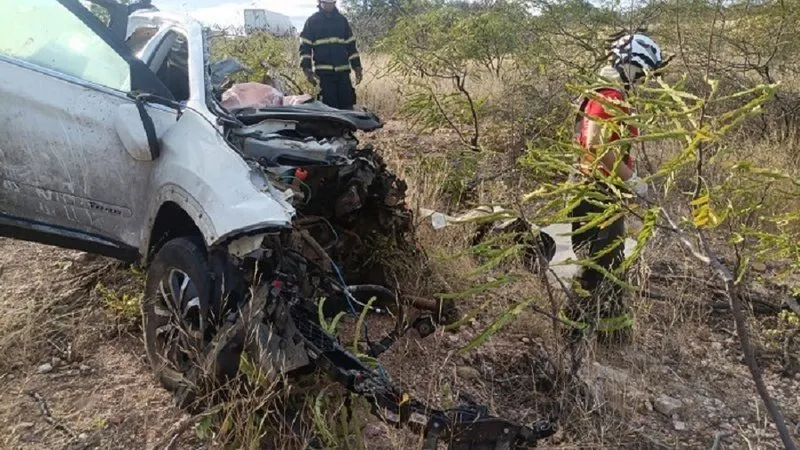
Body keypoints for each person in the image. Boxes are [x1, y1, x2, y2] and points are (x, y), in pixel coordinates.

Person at [560, 33, 666, 346]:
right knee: (597, 266)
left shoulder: (609, 93)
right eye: (644, 74)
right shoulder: (609, 96)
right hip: (596, 191)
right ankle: (572, 339)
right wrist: (631, 179)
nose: (645, 82)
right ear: (633, 67)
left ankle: (613, 338)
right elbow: (594, 145)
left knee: (612, 264)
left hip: (604, 189)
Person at [299, 0, 363, 110]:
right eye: (326, 3)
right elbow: (305, 48)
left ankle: (346, 128)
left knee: (347, 104)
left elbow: (351, 46)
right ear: (320, 2)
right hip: (324, 75)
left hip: (343, 73)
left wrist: (357, 67)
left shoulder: (342, 20)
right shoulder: (312, 21)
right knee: (329, 107)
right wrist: (307, 69)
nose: (329, 5)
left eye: (332, 3)